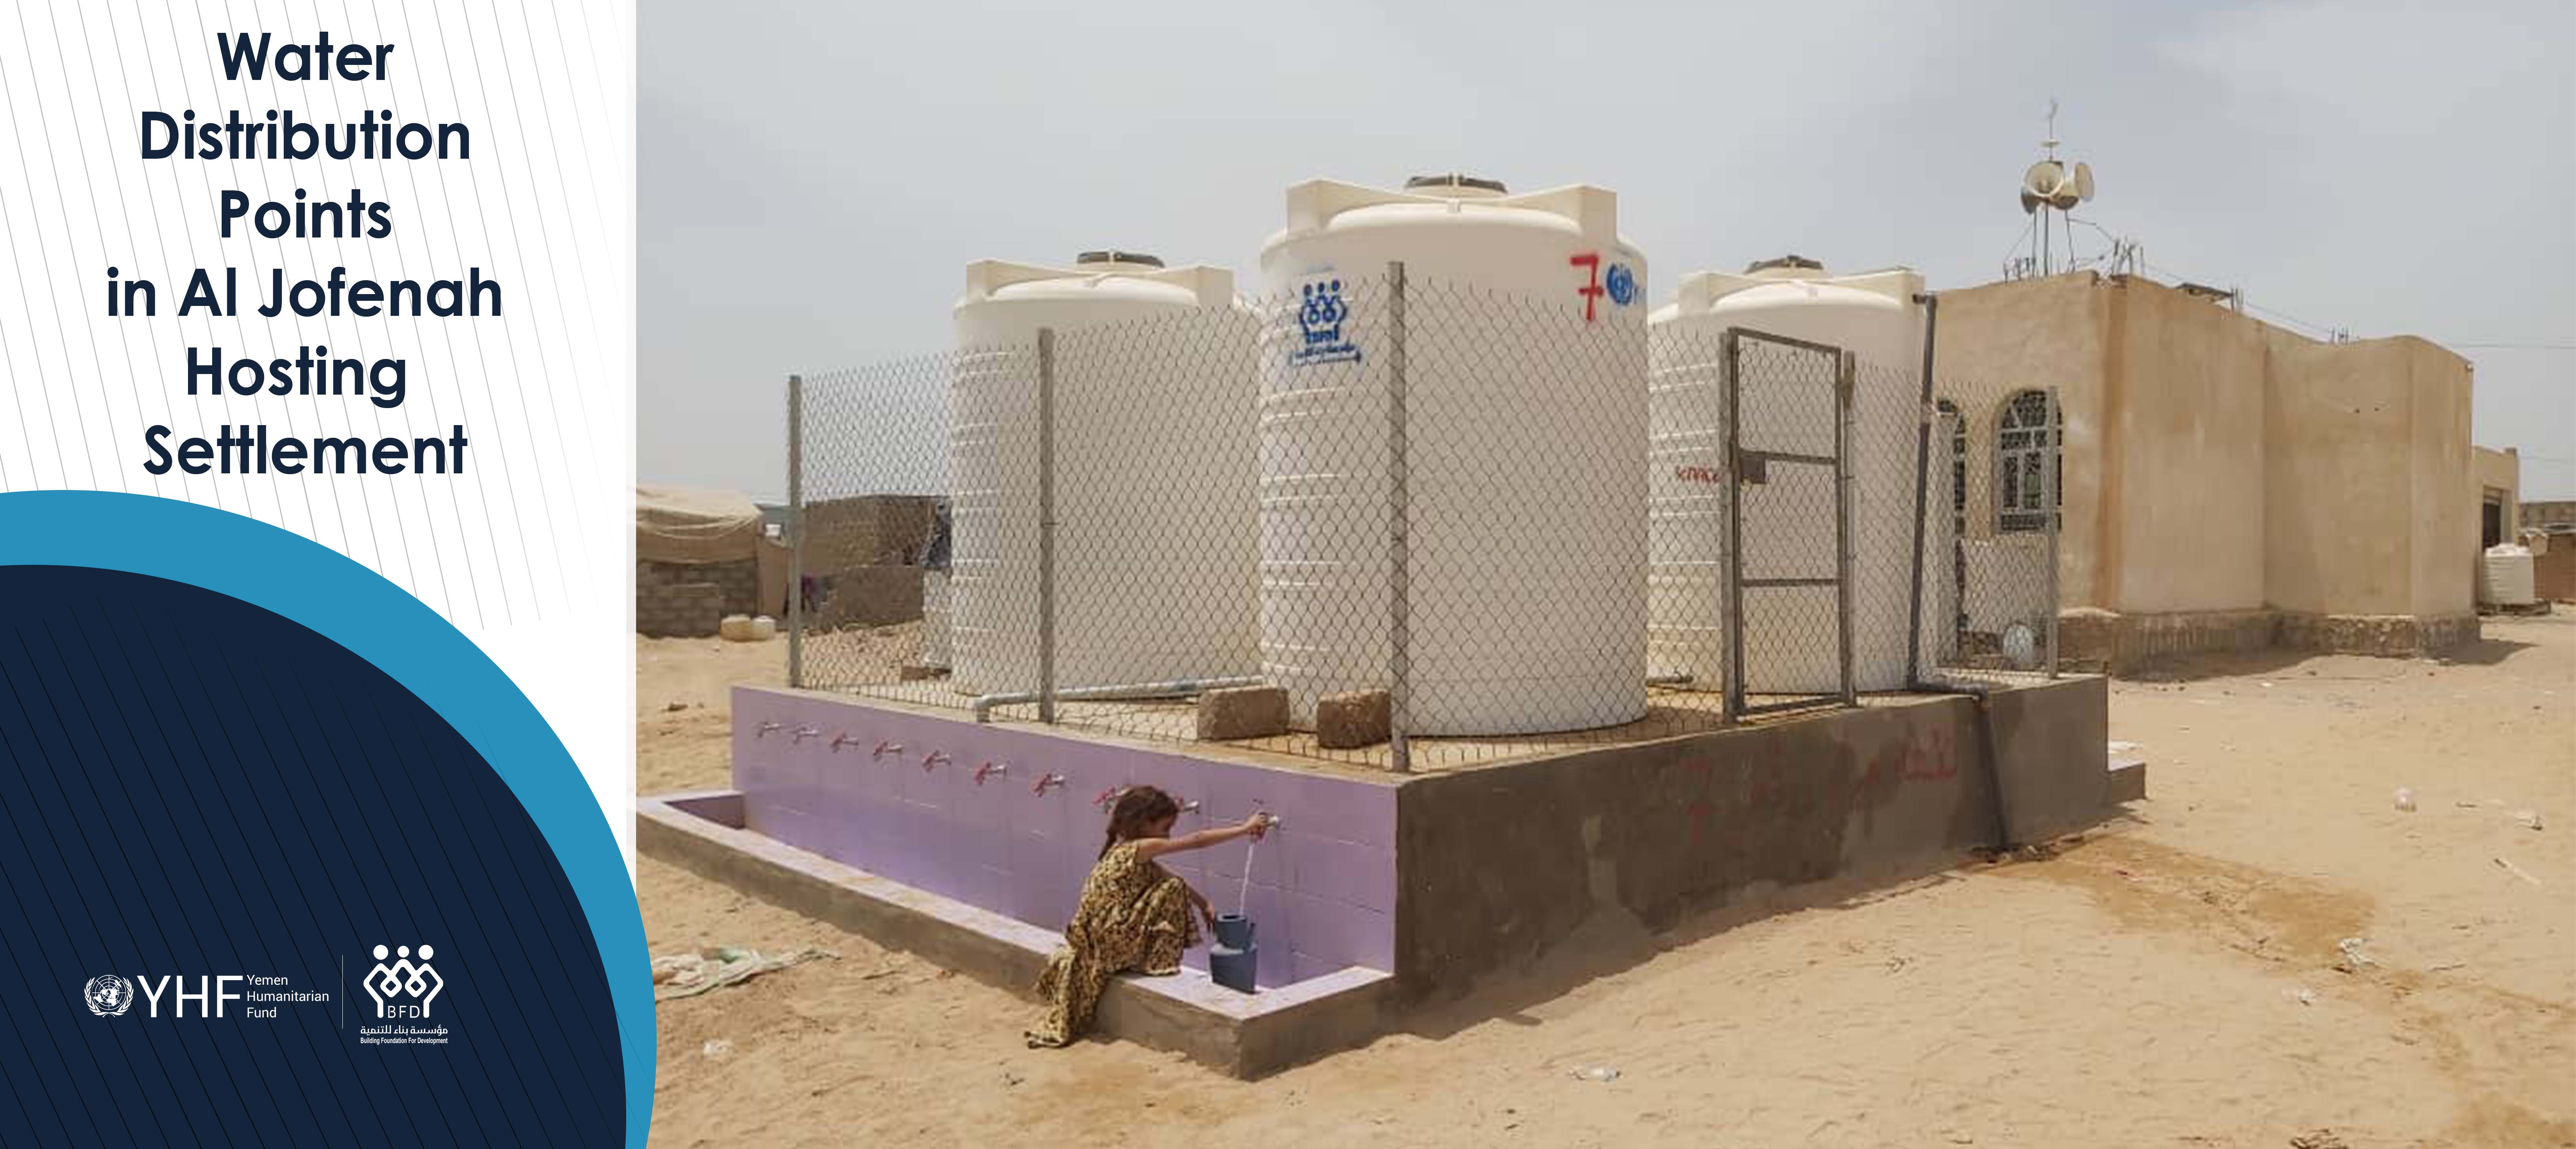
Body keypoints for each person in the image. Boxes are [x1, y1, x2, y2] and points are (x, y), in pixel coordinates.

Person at [1025, 786, 1269, 1048]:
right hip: (1111, 943)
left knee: (1172, 884)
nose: (1168, 835)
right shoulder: (1143, 846)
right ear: (1144, 824)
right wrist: (1245, 828)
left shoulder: (1122, 849)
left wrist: (1204, 903)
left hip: (1097, 939)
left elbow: (1167, 875)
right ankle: (1156, 964)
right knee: (1173, 890)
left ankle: (1139, 959)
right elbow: (1198, 840)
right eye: (1165, 828)